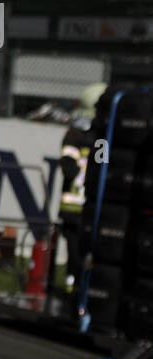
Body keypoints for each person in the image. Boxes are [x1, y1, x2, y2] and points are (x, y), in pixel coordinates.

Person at [59, 83, 106, 292]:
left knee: (86, 254)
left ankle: (80, 288)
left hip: (85, 208)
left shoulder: (90, 136)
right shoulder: (79, 135)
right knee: (76, 253)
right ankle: (73, 287)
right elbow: (69, 167)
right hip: (76, 208)